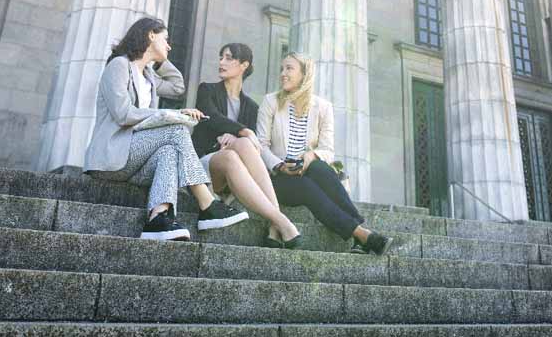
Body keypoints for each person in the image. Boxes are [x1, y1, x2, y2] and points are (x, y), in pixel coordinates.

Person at [85, 17, 248, 241]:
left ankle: (158, 218)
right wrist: (170, 115)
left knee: (169, 151)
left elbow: (177, 86)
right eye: (166, 40)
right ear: (151, 35)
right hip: (113, 155)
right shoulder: (119, 65)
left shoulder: (149, 76)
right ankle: (207, 202)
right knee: (176, 129)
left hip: (135, 159)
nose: (170, 46)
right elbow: (123, 114)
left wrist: (159, 59)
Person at [257, 52, 393, 255]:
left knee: (319, 167)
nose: (283, 74)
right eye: (282, 69)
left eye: (289, 68)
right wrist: (280, 165)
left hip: (308, 169)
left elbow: (327, 150)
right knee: (306, 186)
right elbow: (260, 145)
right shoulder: (271, 102)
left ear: (304, 74)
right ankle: (362, 234)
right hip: (276, 177)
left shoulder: (322, 107)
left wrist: (310, 157)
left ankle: (360, 234)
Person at [192, 43, 302, 248]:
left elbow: (252, 146)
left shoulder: (251, 107)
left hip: (237, 174)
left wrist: (236, 137)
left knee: (241, 145)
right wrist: (243, 131)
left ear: (244, 65)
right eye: (221, 57)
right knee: (237, 148)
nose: (221, 62)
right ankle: (281, 222)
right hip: (204, 168)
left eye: (228, 58)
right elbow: (212, 117)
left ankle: (275, 223)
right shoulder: (207, 90)